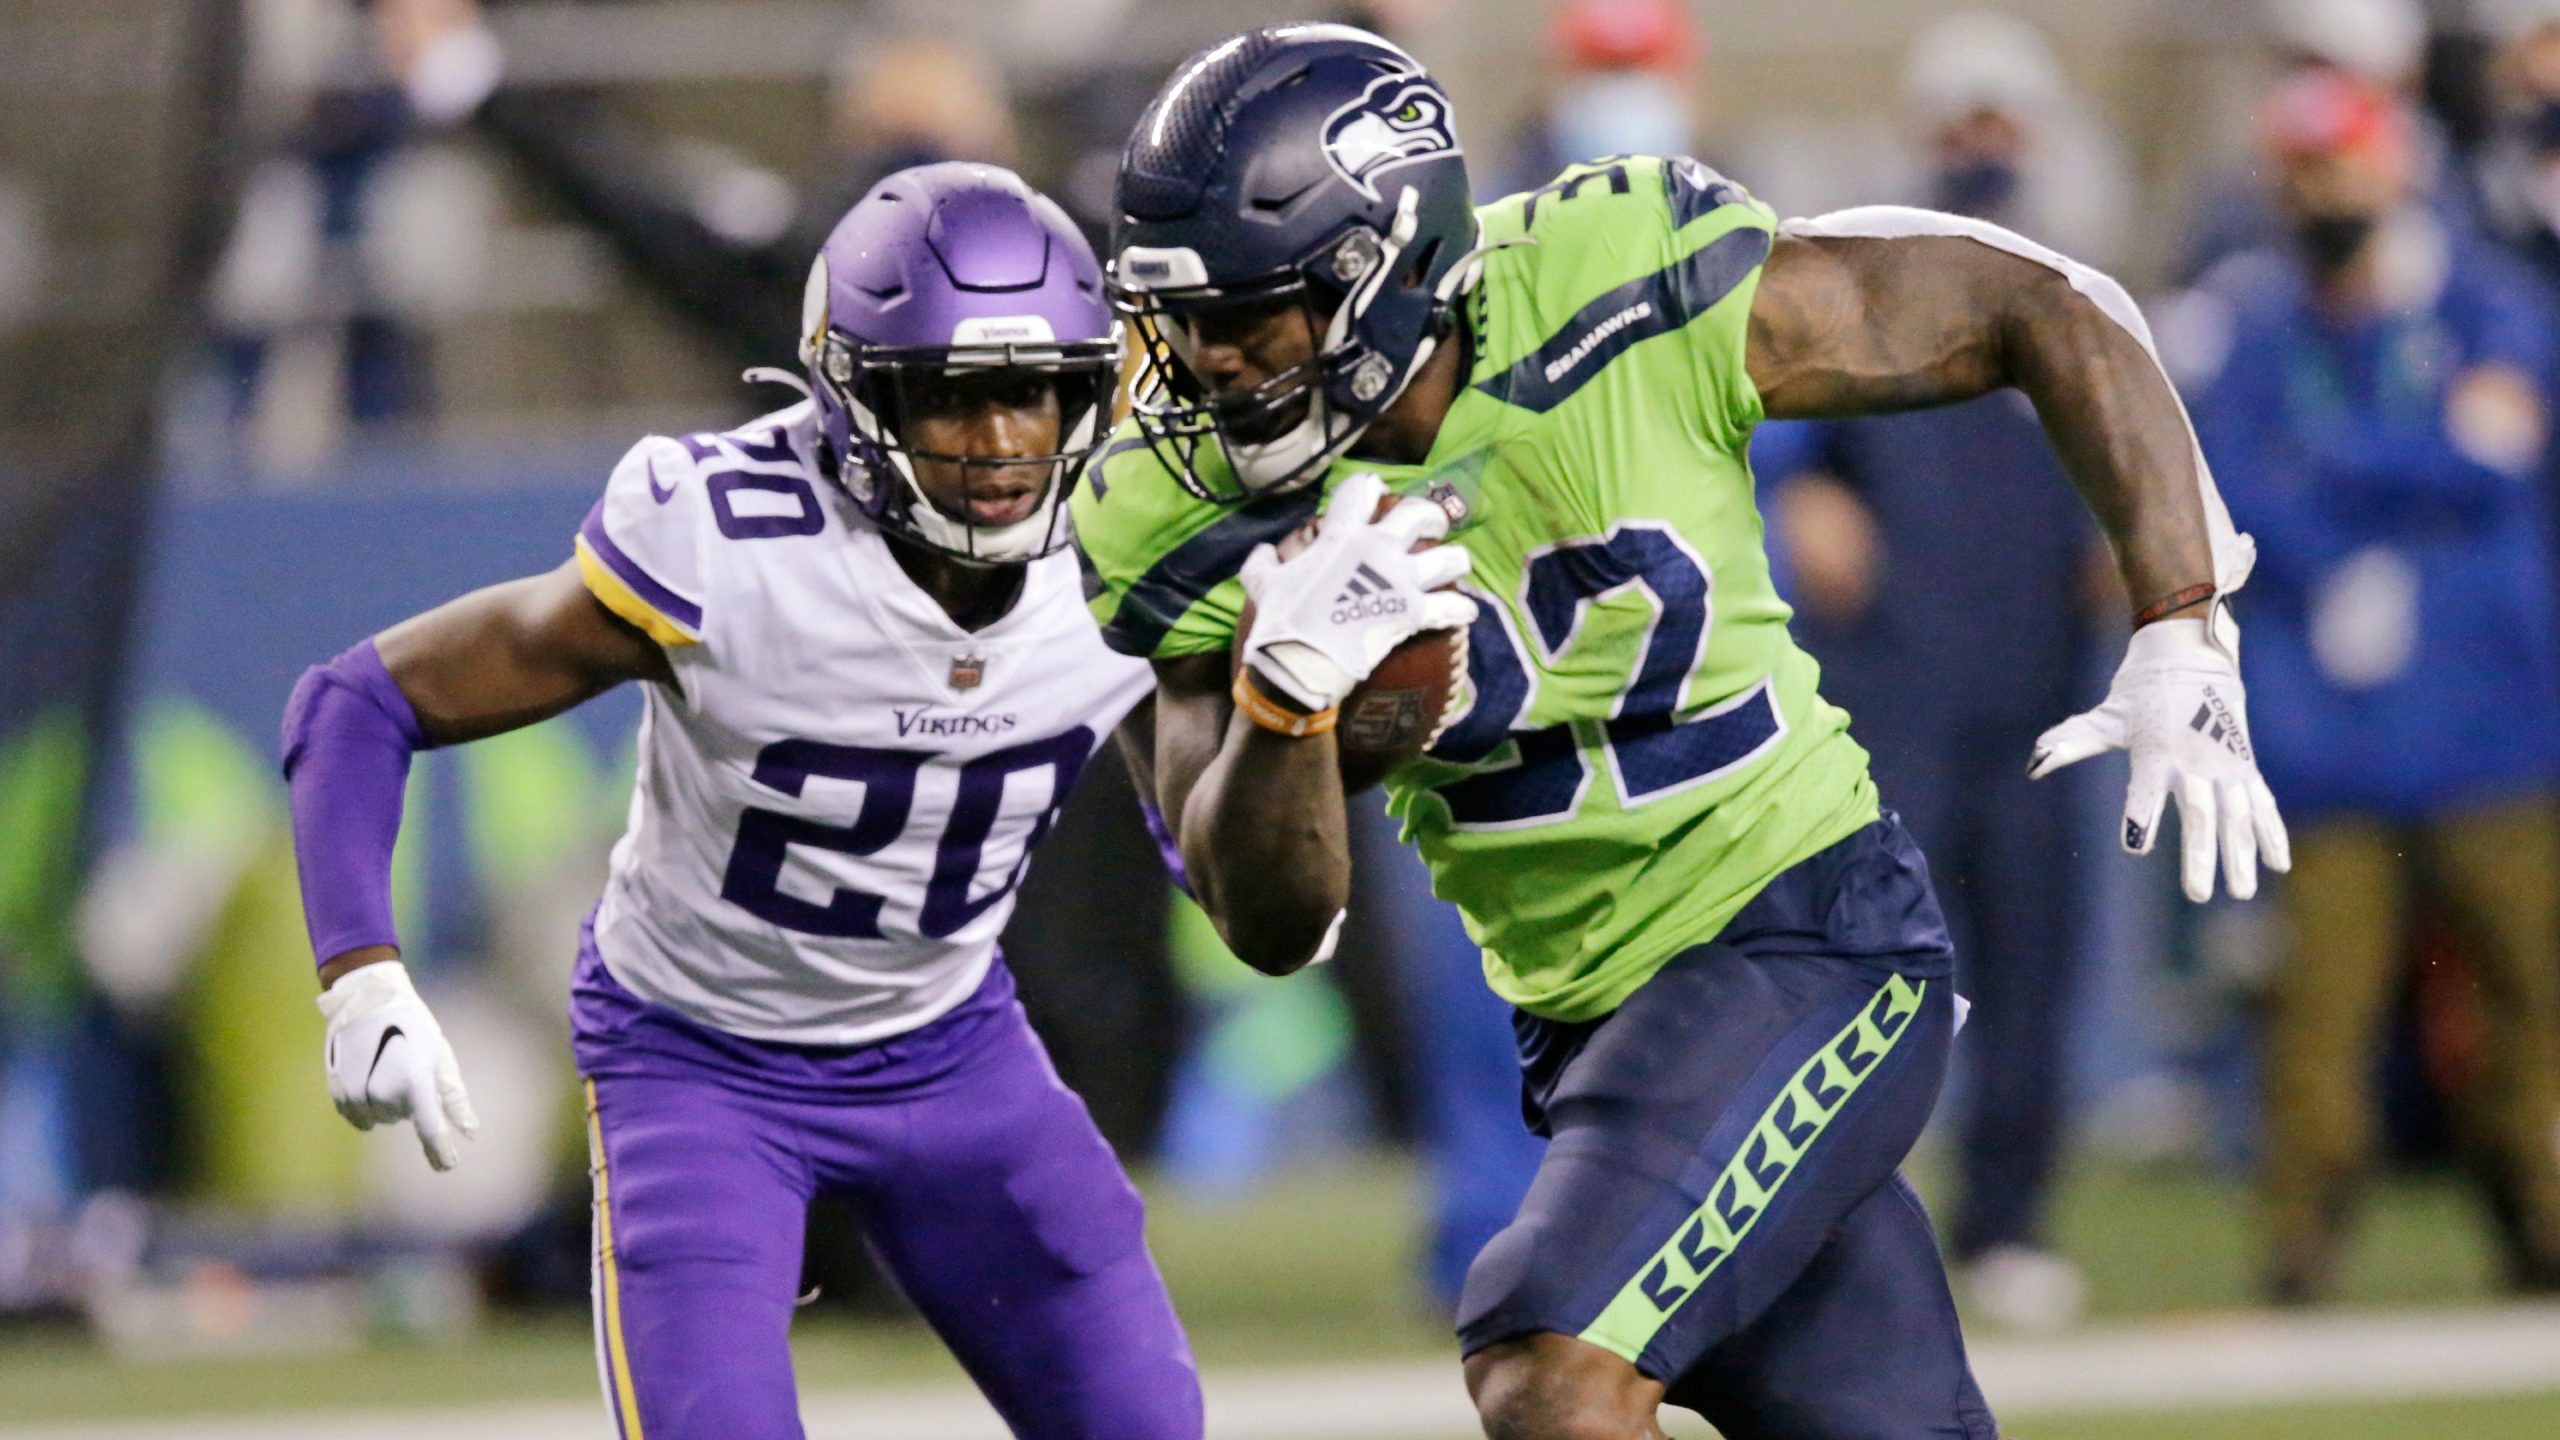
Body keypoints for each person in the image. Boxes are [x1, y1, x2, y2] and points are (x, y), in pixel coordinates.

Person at [1076, 24, 2287, 1440]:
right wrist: (1283, 709)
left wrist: (2182, 608)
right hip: (1590, 1027)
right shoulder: (1171, 502)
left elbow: (2038, 299)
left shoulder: (1616, 278)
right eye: (1182, 320)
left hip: (1803, 931)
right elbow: (1270, 918)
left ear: (1384, 270)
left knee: (1553, 1369)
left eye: (1249, 316)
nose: (1205, 367)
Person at [279, 164, 1202, 1440]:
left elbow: (1227, 845)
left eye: (1034, 393)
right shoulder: (726, 542)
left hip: (955, 1048)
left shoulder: (1142, 532)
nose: (1001, 445)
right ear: (854, 396)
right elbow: (357, 702)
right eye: (951, 398)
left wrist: (1313, 715)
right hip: (698, 1065)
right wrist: (363, 975)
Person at [2174, 67, 2560, 1304]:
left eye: (2338, 161)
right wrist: (2370, 507)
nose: (2321, 190)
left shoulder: (2480, 301)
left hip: (2489, 718)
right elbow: (2224, 488)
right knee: (2316, 1019)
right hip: (2328, 735)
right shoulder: (2255, 322)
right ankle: (2299, 1246)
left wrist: (2337, 465)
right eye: (2301, 167)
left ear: (2391, 164)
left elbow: (2499, 449)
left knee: (2530, 997)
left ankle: (2537, 1219)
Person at [1755, 8, 2115, 1333]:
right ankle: (1844, 1226)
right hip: (1892, 691)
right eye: (1960, 123)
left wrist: (2131, 546)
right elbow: (1759, 416)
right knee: (1879, 976)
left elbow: (2153, 449)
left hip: (2035, 693)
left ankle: (2009, 1224)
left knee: (2034, 967)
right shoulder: (1864, 291)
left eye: (1998, 123)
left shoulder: (2076, 300)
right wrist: (1799, 494)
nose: (1979, 148)